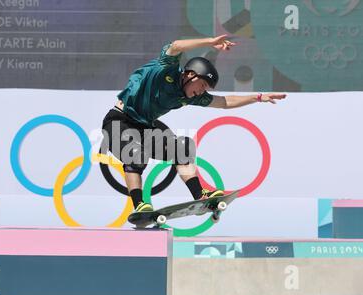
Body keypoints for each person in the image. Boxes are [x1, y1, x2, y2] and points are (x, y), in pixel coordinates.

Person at [101, 35, 286, 213]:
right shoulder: (167, 69)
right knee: (136, 155)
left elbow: (224, 102)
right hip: (119, 120)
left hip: (145, 126)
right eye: (203, 85)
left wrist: (258, 97)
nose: (202, 91)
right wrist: (210, 42)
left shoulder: (188, 96)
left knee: (181, 149)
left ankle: (200, 195)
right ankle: (139, 205)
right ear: (190, 75)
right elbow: (175, 46)